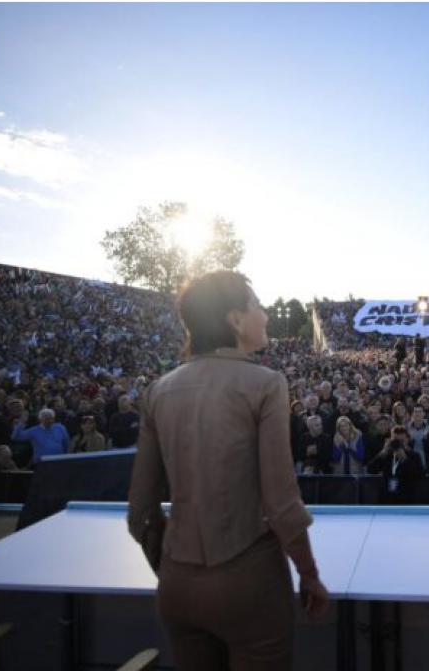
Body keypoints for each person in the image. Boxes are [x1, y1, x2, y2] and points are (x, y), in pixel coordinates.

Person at [127, 270, 328, 671]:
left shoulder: (157, 391)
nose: (266, 315)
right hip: (249, 580)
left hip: (176, 585)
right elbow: (282, 502)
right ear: (235, 320)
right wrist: (308, 573)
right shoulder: (266, 383)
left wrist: (171, 567)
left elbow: (140, 514)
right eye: (257, 306)